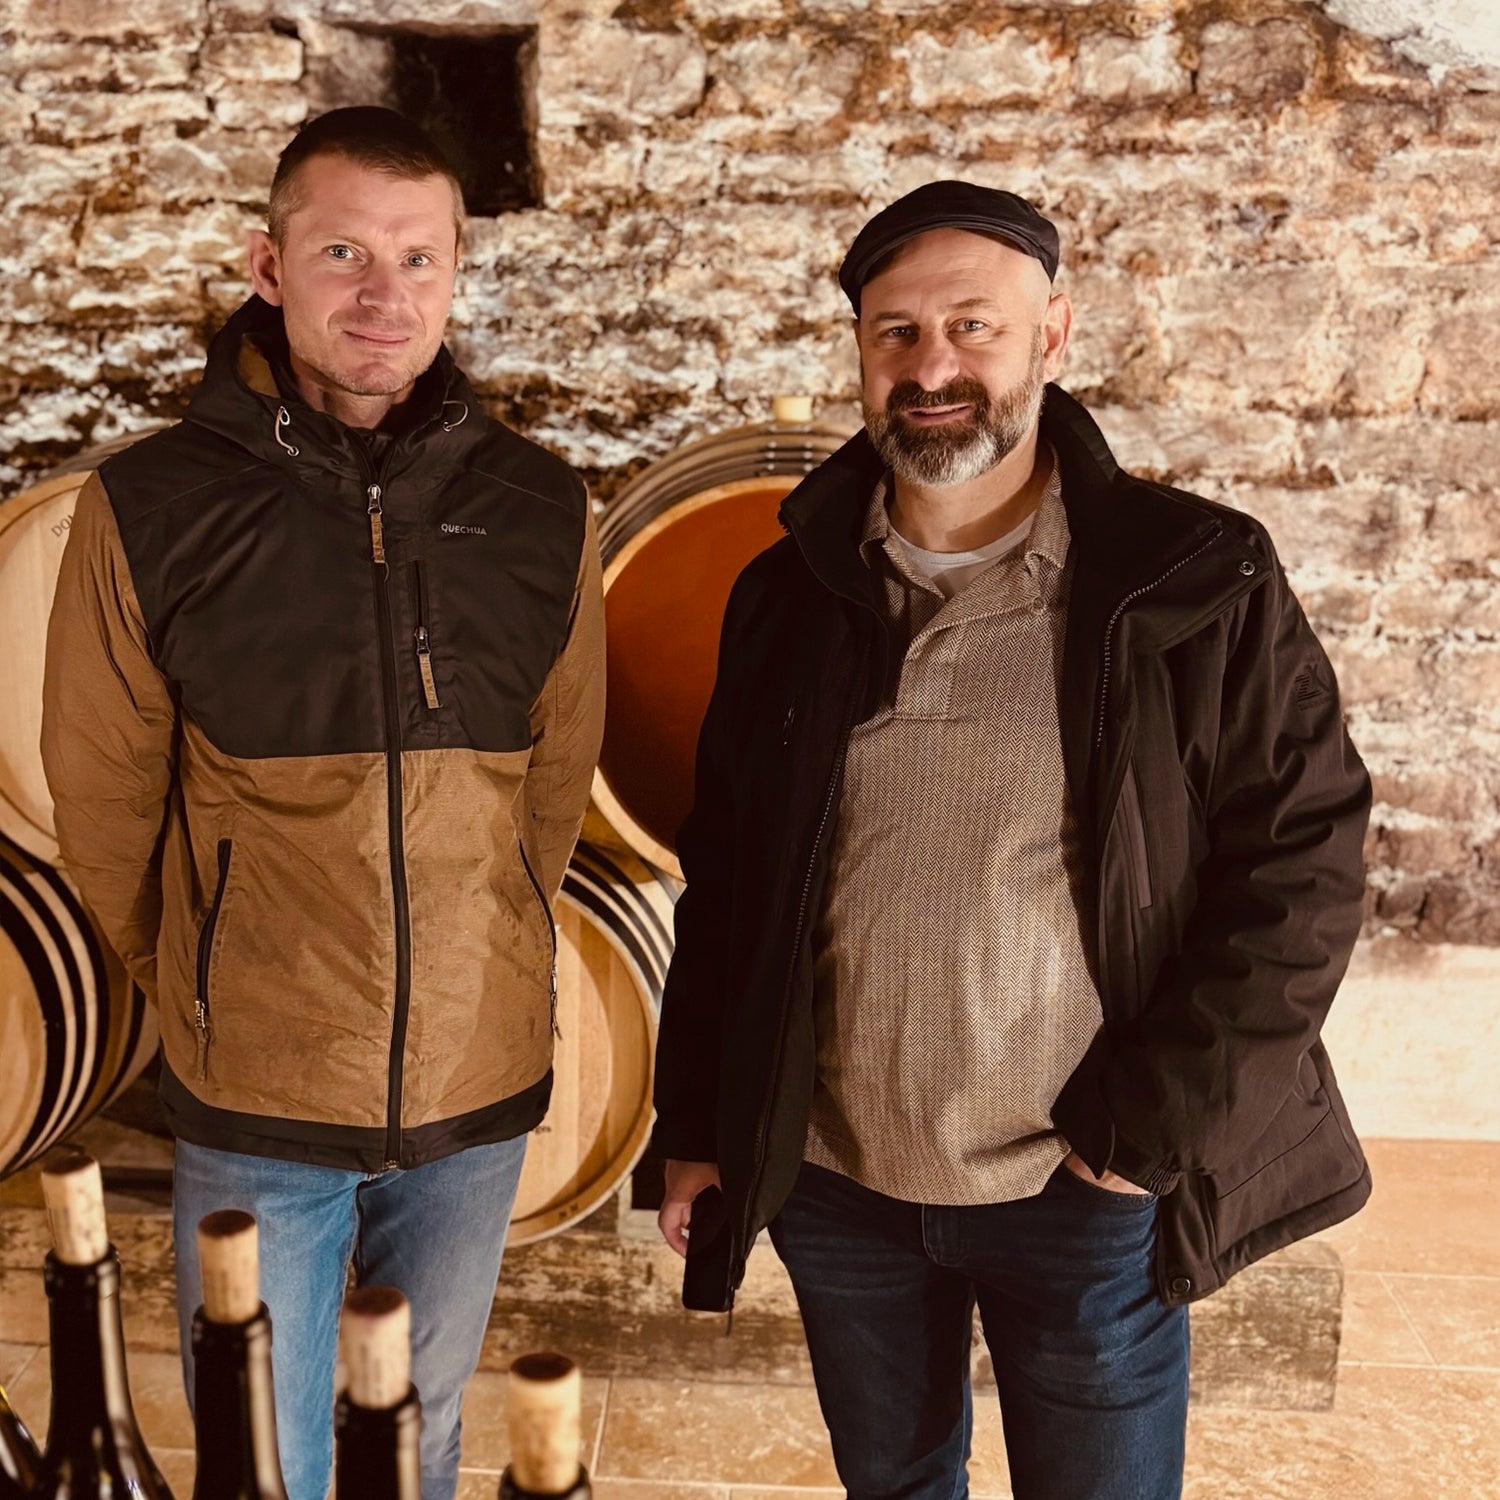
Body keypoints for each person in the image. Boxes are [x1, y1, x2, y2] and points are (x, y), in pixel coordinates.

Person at [652, 181, 1371, 1500]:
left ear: (1053, 338)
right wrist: (698, 1117)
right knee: (896, 1484)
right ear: (860, 352)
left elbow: (1303, 866)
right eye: (896, 333)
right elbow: (731, 874)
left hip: (1077, 1183)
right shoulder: (791, 588)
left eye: (975, 328)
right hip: (837, 1178)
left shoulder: (1195, 577)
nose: (933, 369)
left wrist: (1137, 1139)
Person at [42, 107, 604, 1500]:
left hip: (475, 1096)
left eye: (419, 257)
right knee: (266, 1466)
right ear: (268, 263)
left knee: (421, 1444)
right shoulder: (150, 506)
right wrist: (216, 979)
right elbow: (106, 805)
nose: (383, 292)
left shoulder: (539, 507)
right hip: (257, 1096)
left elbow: (550, 789)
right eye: (344, 249)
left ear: (458, 274)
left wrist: (488, 953)